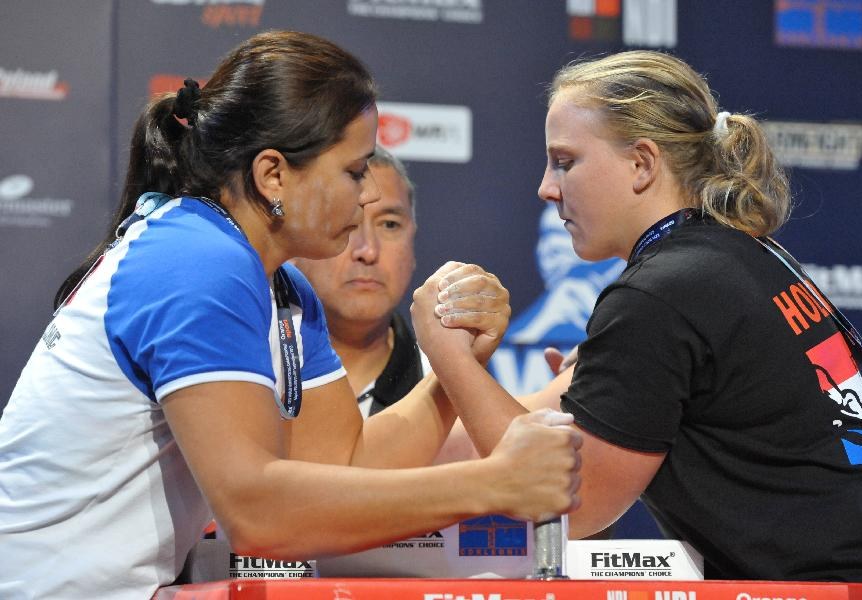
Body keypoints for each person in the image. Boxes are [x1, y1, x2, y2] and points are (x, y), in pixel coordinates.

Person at [0, 31, 582, 599]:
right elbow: (259, 514)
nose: (363, 198)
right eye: (354, 172)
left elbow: (348, 465)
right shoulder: (198, 260)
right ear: (273, 174)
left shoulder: (280, 283)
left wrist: (453, 373)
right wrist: (491, 482)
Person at [410, 50, 862, 597]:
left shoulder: (662, 293)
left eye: (565, 161)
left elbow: (572, 501)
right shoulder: (735, 257)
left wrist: (451, 359)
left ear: (642, 164)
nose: (546, 188)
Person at [292, 146, 426, 417]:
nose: (368, 251)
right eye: (345, 221)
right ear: (295, 243)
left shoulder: (445, 393)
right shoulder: (251, 369)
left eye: (389, 225)